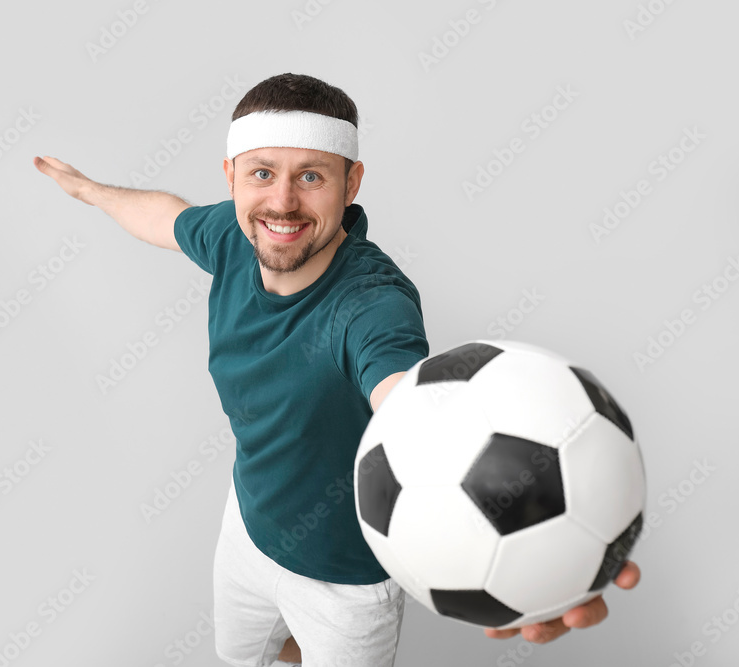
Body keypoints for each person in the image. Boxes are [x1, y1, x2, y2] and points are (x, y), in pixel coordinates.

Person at [34, 72, 641, 667]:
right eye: (262, 174)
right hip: (249, 529)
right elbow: (167, 216)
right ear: (233, 178)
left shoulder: (372, 305)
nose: (282, 202)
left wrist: (546, 560)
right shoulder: (231, 235)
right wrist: (90, 191)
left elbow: (411, 405)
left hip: (345, 583)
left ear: (351, 184)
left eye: (311, 176)